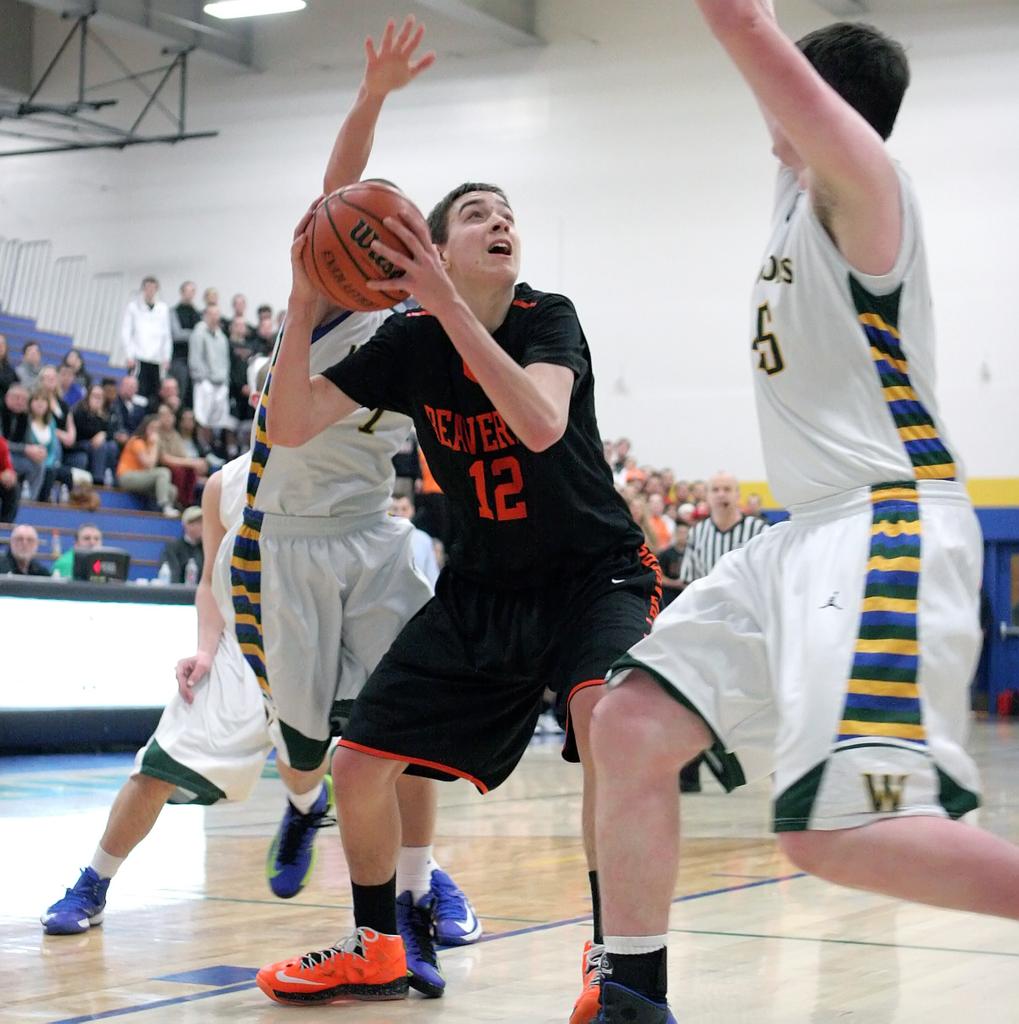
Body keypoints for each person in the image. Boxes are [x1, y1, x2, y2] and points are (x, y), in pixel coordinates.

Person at [589, 7, 1019, 1023]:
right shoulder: (793, 192)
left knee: (831, 833)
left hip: (886, 521)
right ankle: (633, 1000)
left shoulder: (868, 193)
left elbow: (745, 25)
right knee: (632, 727)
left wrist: (741, 26)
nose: (763, 112)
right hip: (803, 534)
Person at [255, 20, 659, 1015]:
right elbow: (293, 422)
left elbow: (534, 421)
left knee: (607, 725)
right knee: (355, 762)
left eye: (505, 213)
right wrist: (305, 300)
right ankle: (374, 946)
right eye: (475, 212)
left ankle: (615, 959)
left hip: (588, 576)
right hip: (479, 588)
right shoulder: (404, 342)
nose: (498, 220)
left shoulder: (545, 315)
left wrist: (442, 301)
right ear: (432, 246)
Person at [39, 454, 332, 934]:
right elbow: (213, 583)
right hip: (243, 644)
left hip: (315, 641)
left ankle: (406, 875)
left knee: (348, 762)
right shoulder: (224, 484)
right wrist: (205, 650)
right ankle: (93, 883)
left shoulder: (339, 463)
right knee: (157, 766)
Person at [188, 302, 234, 451]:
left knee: (218, 420)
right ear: (205, 315)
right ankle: (202, 448)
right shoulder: (198, 333)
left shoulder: (221, 336)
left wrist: (225, 380)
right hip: (204, 382)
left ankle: (214, 448)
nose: (215, 317)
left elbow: (225, 360)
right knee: (203, 418)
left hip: (221, 382)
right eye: (212, 314)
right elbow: (195, 358)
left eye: (217, 314)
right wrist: (202, 378)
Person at [121, 276, 172, 404]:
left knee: (155, 393)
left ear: (156, 289)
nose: (150, 291)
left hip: (156, 360)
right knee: (138, 393)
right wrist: (129, 355)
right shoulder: (133, 307)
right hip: (139, 357)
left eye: (153, 288)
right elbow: (126, 331)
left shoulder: (163, 309)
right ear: (143, 289)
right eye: (147, 287)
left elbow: (166, 334)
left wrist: (167, 357)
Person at [116, 415, 179, 516]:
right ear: (145, 427)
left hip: (142, 477)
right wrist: (154, 444)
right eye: (152, 428)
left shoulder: (150, 443)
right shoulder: (137, 441)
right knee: (163, 472)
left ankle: (160, 514)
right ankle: (165, 506)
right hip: (127, 476)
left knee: (172, 490)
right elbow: (149, 465)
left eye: (157, 429)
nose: (154, 431)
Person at [1, 383, 46, 500]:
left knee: (39, 465)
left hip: (15, 455)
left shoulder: (26, 417)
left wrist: (37, 450)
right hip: (2, 455)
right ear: (7, 397)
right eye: (16, 398)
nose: (20, 402)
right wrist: (25, 449)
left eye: (24, 399)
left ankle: (30, 500)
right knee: (8, 459)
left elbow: (28, 442)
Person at [390, 493, 439, 587]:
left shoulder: (424, 540)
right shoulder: (381, 539)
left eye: (404, 509)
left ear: (412, 510)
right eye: (395, 509)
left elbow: (433, 577)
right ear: (388, 511)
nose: (399, 513)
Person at [170, 280, 200, 404]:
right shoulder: (173, 311)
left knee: (192, 396)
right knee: (180, 392)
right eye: (188, 291)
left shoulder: (197, 313)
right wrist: (195, 334)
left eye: (193, 291)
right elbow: (177, 335)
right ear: (182, 292)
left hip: (194, 361)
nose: (190, 294)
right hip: (179, 359)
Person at [158, 506, 204, 584]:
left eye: (202, 523)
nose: (200, 526)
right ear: (186, 525)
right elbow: (173, 573)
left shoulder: (206, 548)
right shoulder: (173, 547)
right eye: (197, 523)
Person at [656, 521, 689, 610]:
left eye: (685, 533)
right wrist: (675, 583)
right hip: (669, 595)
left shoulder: (692, 553)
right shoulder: (665, 554)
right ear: (675, 534)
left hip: (687, 594)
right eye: (680, 532)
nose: (682, 535)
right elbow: (659, 576)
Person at [108, 375, 147, 448]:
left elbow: (141, 429)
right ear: (120, 387)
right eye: (127, 386)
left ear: (136, 389)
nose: (130, 389)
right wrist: (116, 435)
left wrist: (130, 437)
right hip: (115, 440)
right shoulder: (112, 404)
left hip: (133, 441)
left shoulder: (140, 409)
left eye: (133, 387)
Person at [0, 434, 18, 522]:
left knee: (12, 487)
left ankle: (6, 524)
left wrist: (10, 475)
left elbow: (8, 467)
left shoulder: (1, 443)